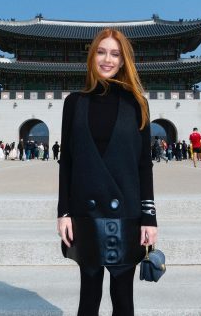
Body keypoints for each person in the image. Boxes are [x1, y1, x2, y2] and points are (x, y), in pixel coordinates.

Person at [57, 28, 157, 316]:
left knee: (123, 299)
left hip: (125, 212)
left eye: (115, 54)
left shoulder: (137, 104)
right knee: (88, 297)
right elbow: (68, 162)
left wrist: (149, 218)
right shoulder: (74, 103)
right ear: (92, 57)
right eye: (101, 52)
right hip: (85, 212)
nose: (107, 59)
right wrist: (63, 212)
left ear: (124, 61)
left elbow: (143, 165)